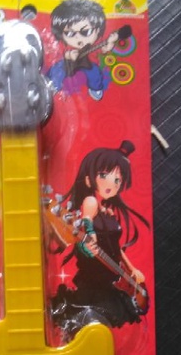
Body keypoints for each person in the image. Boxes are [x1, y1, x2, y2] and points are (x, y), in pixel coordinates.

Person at [51, 140, 149, 340]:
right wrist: (89, 240)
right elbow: (86, 226)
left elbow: (116, 248)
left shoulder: (108, 210)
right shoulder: (91, 202)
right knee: (88, 318)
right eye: (104, 175)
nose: (111, 183)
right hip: (94, 276)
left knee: (103, 320)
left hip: (111, 276)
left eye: (117, 180)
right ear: (89, 179)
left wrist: (132, 269)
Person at [47, 0, 118, 100]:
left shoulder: (93, 44)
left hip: (87, 64)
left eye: (85, 32)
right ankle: (53, 85)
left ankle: (96, 88)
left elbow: (104, 49)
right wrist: (70, 55)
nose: (78, 38)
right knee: (57, 69)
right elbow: (63, 53)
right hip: (68, 63)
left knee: (95, 73)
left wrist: (110, 42)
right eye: (70, 33)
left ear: (98, 30)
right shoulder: (65, 45)